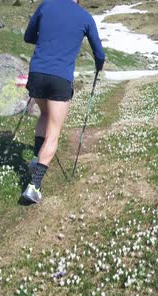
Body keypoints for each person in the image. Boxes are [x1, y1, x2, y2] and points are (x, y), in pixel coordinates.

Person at [22, 0, 106, 204]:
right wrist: (98, 65)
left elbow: (29, 36)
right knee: (54, 131)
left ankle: (36, 159)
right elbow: (99, 54)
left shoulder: (45, 6)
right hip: (60, 78)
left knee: (44, 114)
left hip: (37, 73)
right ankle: (35, 186)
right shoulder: (85, 17)